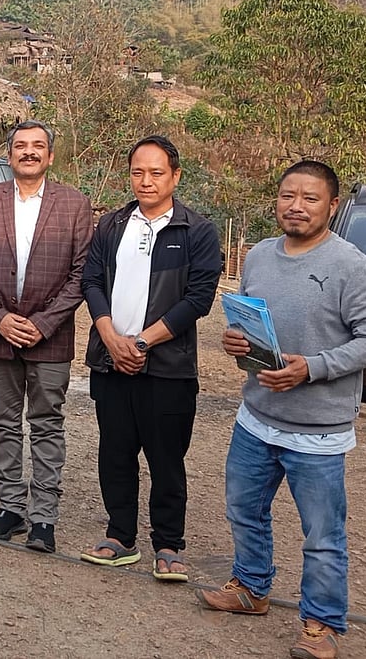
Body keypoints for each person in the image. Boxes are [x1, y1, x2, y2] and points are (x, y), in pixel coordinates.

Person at [198, 161, 366, 659]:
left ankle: (321, 623)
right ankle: (251, 587)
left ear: (332, 206)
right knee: (244, 509)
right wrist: (235, 340)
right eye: (288, 196)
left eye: (310, 198)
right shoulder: (260, 255)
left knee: (322, 534)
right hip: (256, 417)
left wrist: (313, 368)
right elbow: (247, 317)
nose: (297, 206)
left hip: (318, 430)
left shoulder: (351, 265)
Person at [79, 135, 222, 579]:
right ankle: (120, 536)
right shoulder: (112, 225)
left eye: (156, 172)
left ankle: (168, 544)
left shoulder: (197, 231)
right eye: (138, 172)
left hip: (168, 367)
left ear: (175, 176)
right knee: (115, 452)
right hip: (111, 362)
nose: (146, 181)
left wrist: (141, 343)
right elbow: (91, 282)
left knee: (166, 459)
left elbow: (198, 299)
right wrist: (110, 338)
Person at [0, 120, 93, 553]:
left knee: (46, 424)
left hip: (50, 338)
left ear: (50, 156)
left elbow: (82, 273)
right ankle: (11, 508)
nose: (29, 152)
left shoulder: (74, 204)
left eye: (38, 145)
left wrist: (44, 323)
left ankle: (43, 517)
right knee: (2, 422)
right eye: (20, 145)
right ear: (9, 154)